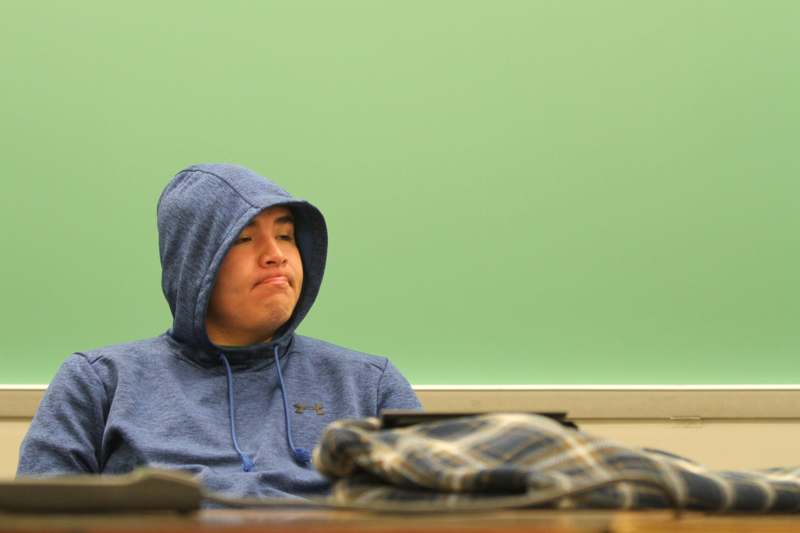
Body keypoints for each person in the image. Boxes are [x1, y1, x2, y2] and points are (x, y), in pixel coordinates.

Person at [17, 163, 421, 498]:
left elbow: (442, 511)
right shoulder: (98, 382)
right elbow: (36, 521)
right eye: (245, 239)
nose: (276, 256)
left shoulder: (369, 386)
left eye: (285, 235)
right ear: (194, 265)